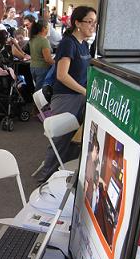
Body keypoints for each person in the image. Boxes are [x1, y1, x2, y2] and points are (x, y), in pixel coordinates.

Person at [37, 6, 97, 184]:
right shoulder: (68, 43)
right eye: (89, 22)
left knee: (72, 139)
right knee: (60, 140)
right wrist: (84, 91)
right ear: (77, 23)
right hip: (66, 97)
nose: (93, 26)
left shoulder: (85, 45)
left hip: (78, 96)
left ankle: (60, 176)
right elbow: (62, 75)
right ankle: (46, 180)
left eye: (95, 22)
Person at [29, 20, 55, 91]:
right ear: (44, 28)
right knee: (40, 91)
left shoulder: (32, 39)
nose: (48, 29)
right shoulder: (44, 41)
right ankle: (37, 102)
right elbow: (48, 59)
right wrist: (57, 64)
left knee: (38, 88)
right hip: (42, 68)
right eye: (47, 27)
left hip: (33, 67)